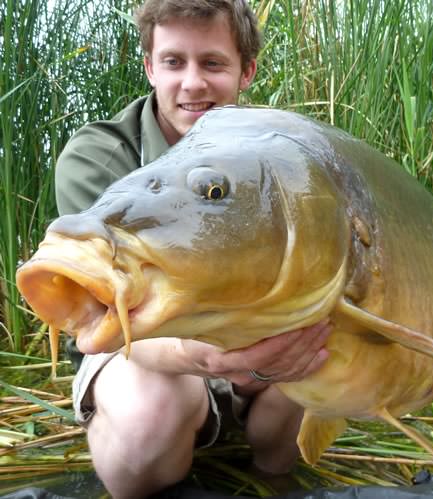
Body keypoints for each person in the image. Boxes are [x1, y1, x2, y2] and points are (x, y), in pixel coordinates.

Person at [55, 1, 331, 498]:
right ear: (149, 67)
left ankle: (275, 472)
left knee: (325, 348)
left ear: (246, 70)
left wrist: (260, 353)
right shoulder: (98, 156)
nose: (193, 83)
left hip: (259, 346)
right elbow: (100, 322)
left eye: (213, 63)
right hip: (140, 352)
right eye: (174, 62)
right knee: (146, 424)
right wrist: (202, 356)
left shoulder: (282, 155)